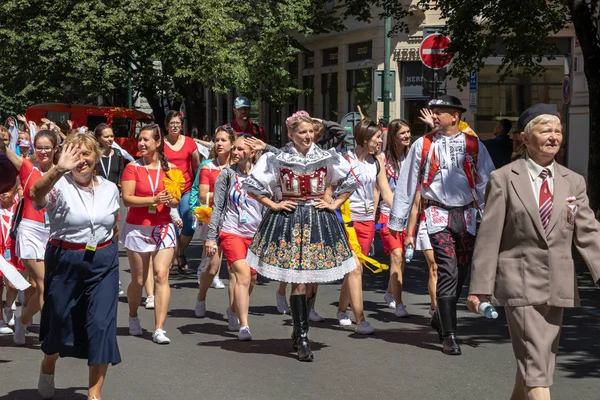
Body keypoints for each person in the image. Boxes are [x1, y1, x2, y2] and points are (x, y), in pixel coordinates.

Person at [467, 104, 600, 400]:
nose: (554, 137)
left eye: (558, 131)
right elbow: (489, 237)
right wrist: (480, 288)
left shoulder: (573, 181)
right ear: (526, 138)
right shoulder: (503, 178)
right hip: (519, 283)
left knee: (535, 363)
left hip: (558, 285)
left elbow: (589, 232)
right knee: (538, 371)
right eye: (545, 130)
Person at [243, 111, 357, 361]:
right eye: (302, 132)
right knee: (299, 280)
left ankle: (299, 329)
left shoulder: (328, 156)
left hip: (318, 219)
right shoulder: (277, 157)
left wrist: (335, 204)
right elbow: (252, 185)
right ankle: (302, 336)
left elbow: (349, 181)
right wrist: (273, 204)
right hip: (289, 220)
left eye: (310, 132)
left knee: (311, 279)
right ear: (291, 134)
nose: (307, 136)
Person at [388, 95, 495, 355]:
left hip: (467, 216)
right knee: (446, 270)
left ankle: (440, 317)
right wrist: (399, 221)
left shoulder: (474, 145)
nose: (434, 115)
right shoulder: (422, 145)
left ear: (455, 116)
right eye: (433, 111)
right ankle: (449, 335)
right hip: (437, 215)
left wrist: (493, 214)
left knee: (459, 272)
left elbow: (487, 180)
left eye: (440, 111)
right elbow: (407, 183)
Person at [30, 133, 121, 400]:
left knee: (102, 325)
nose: (81, 160)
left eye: (86, 154)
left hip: (102, 262)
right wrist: (59, 169)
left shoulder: (109, 189)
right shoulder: (59, 184)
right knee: (58, 322)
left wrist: (108, 252)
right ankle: (48, 364)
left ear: (97, 156)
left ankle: (95, 395)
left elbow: (112, 226)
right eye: (74, 153)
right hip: (65, 261)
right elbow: (36, 193)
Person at [120, 124, 180, 345]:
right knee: (137, 279)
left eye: (146, 140)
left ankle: (159, 328)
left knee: (161, 275)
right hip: (137, 228)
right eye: (140, 140)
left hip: (163, 226)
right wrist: (153, 200)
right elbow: (127, 198)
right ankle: (133, 316)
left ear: (157, 143)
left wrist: (169, 199)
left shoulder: (171, 168)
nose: (142, 144)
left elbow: (176, 200)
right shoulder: (132, 168)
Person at [336, 119, 394, 330]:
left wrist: (400, 211)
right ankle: (360, 319)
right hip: (347, 221)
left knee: (354, 269)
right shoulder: (344, 160)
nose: (380, 141)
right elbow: (331, 186)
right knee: (355, 268)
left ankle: (342, 309)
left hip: (368, 222)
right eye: (377, 137)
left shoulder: (377, 162)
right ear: (364, 137)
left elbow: (386, 191)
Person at [204, 136, 262, 340]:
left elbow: (283, 158)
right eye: (234, 149)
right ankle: (244, 326)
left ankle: (233, 310)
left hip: (256, 234)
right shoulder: (227, 174)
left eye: (240, 149)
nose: (235, 153)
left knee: (252, 278)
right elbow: (217, 207)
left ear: (252, 152)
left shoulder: (262, 173)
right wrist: (211, 238)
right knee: (243, 275)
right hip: (231, 232)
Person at [11, 130, 60, 346]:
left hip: (54, 232)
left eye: (47, 147)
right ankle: (48, 332)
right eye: (38, 147)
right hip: (29, 231)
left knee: (45, 286)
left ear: (55, 149)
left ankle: (23, 320)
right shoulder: (28, 168)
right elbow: (4, 149)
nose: (42, 151)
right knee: (44, 284)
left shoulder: (62, 172)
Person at [195, 125, 235, 323]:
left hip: (237, 222)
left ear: (232, 144)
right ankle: (201, 296)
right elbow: (203, 195)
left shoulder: (239, 166)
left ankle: (234, 312)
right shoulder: (208, 167)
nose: (219, 143)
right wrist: (225, 197)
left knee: (236, 270)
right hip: (213, 220)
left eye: (223, 140)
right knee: (211, 268)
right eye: (217, 140)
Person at [379, 119, 411, 317]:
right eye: (402, 133)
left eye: (408, 132)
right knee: (397, 255)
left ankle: (390, 292)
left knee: (403, 260)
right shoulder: (383, 160)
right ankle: (399, 304)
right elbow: (385, 193)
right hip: (389, 214)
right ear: (393, 136)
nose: (407, 136)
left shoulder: (412, 157)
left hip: (409, 216)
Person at [163, 111, 201, 274]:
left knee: (188, 219)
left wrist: (199, 188)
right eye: (172, 123)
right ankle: (174, 259)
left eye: (177, 123)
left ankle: (179, 252)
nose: (175, 126)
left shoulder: (190, 143)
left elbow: (196, 166)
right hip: (167, 190)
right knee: (170, 224)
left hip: (186, 189)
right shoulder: (161, 143)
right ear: (166, 125)